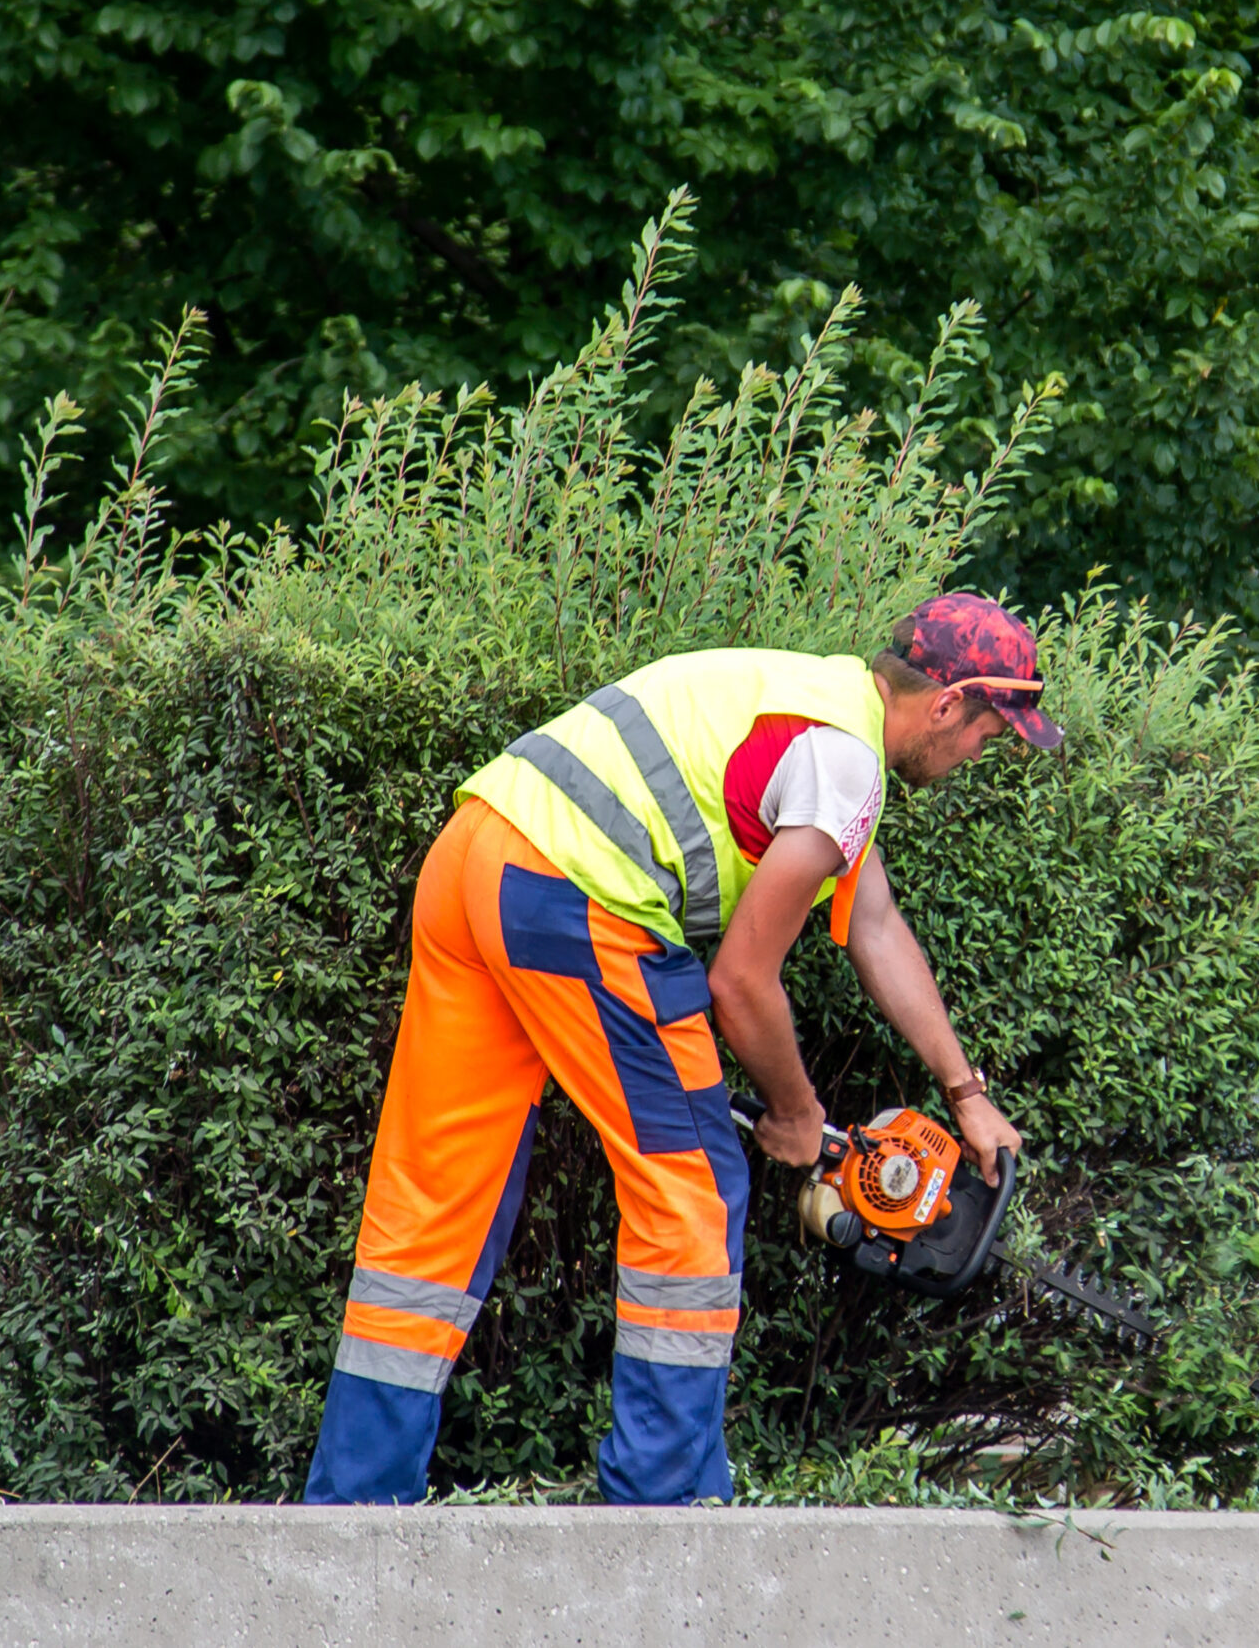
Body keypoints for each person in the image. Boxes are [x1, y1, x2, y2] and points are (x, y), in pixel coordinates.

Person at [303, 593, 1050, 1505]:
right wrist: (796, 1114)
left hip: (477, 855)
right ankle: (664, 1508)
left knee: (436, 1193)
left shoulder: (817, 708)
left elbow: (876, 927)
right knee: (693, 1184)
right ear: (947, 702)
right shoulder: (844, 761)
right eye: (990, 732)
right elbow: (741, 980)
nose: (981, 754)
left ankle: (354, 1504)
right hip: (575, 893)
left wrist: (964, 1091)